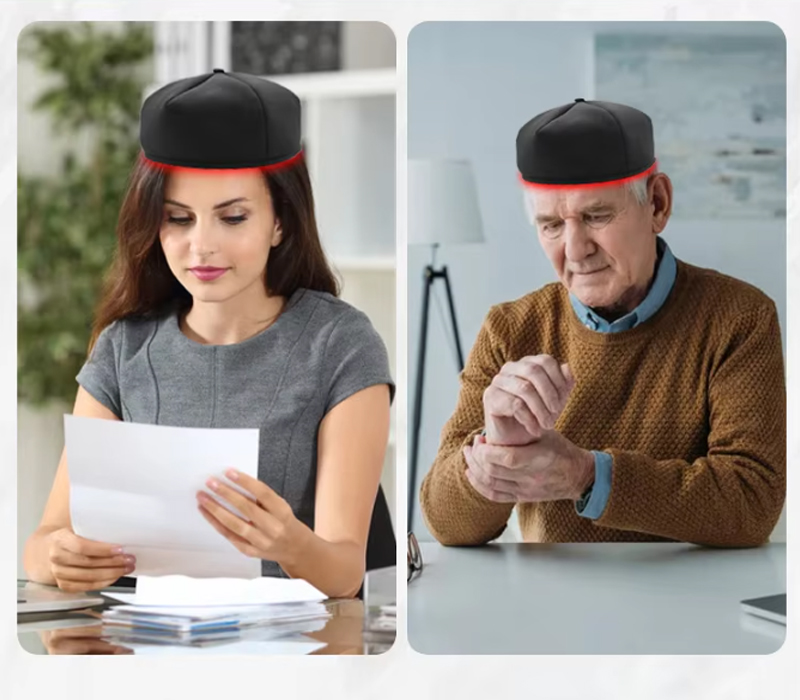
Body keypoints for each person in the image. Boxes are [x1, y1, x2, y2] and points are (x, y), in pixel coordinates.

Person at [23, 68, 395, 598]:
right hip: (145, 644)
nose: (202, 246)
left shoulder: (339, 344)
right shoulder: (123, 348)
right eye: (178, 219)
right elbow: (43, 540)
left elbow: (343, 572)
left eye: (233, 217)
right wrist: (58, 556)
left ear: (279, 222)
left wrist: (289, 542)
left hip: (289, 655)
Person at [420, 98, 785, 548]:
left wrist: (586, 477)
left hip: (695, 606)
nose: (575, 249)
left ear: (657, 204)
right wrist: (496, 447)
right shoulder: (509, 328)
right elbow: (444, 524)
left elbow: (752, 504)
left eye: (596, 216)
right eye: (551, 225)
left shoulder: (739, 318)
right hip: (550, 607)